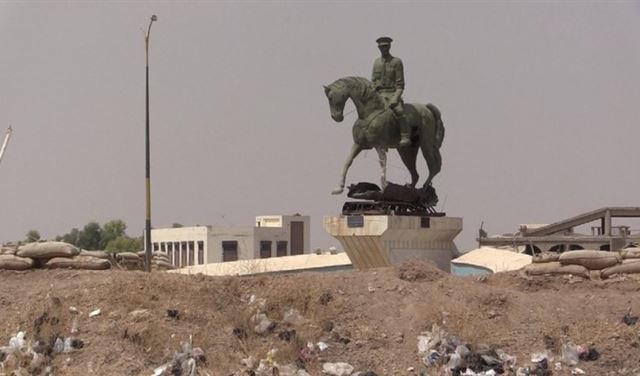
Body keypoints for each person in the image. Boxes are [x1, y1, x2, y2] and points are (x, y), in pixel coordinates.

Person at [371, 36, 410, 147]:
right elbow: (373, 81)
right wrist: (375, 87)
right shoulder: (376, 62)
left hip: (392, 93)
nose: (384, 49)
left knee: (399, 111)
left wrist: (395, 98)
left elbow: (400, 85)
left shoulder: (396, 62)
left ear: (389, 46)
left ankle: (405, 135)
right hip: (379, 95)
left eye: (386, 46)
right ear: (378, 48)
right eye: (382, 47)